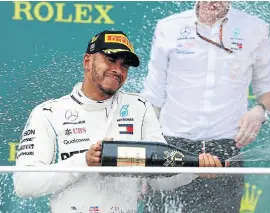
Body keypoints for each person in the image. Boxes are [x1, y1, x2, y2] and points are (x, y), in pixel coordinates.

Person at [13, 30, 223, 213]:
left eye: (125, 66)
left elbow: (158, 180)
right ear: (87, 61)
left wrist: (195, 170)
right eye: (111, 60)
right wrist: (83, 161)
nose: (118, 70)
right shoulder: (49, 113)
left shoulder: (139, 107)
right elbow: (24, 184)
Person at [142, 1, 270, 213]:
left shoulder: (255, 29)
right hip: (172, 145)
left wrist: (259, 111)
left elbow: (268, 89)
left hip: (224, 151)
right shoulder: (168, 27)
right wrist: (146, 156)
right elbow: (154, 95)